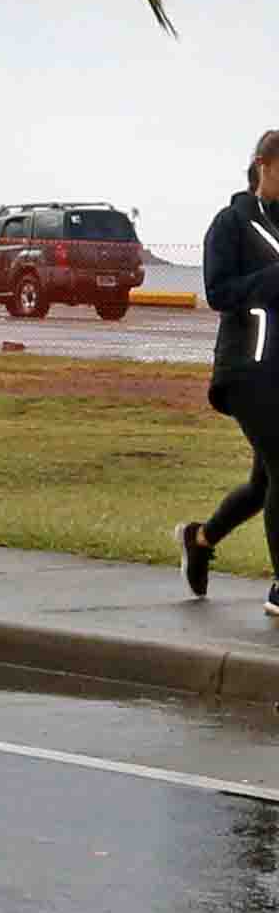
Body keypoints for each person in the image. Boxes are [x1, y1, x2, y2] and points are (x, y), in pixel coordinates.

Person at [183, 129, 279, 616]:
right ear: (264, 164)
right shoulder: (231, 224)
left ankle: (201, 539)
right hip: (247, 370)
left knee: (265, 485)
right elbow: (219, 292)